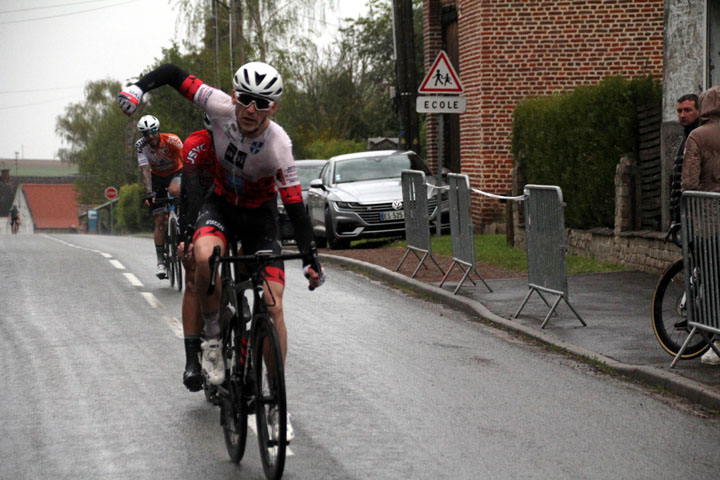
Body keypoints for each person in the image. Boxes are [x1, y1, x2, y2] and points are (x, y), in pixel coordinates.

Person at [118, 62, 325, 439]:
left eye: (261, 104)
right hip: (222, 206)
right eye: (245, 99)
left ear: (273, 108)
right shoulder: (216, 106)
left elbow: (295, 205)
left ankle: (276, 400)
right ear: (233, 96)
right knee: (203, 257)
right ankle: (212, 338)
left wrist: (311, 259)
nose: (250, 109)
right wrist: (138, 88)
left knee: (274, 302)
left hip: (261, 218)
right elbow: (170, 73)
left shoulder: (279, 144)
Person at [178, 114, 218, 392]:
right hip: (202, 206)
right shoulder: (196, 146)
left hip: (234, 209)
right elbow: (189, 197)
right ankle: (192, 358)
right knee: (193, 275)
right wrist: (186, 237)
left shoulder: (249, 141)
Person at [681, 85, 720, 365]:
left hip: (709, 219)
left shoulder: (697, 136)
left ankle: (716, 341)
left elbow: (689, 183)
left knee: (712, 279)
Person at [135, 115, 184, 279]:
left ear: (158, 130)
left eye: (153, 132)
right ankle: (161, 261)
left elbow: (187, 161)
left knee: (175, 190)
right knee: (160, 221)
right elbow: (144, 170)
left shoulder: (172, 140)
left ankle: (179, 217)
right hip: (156, 177)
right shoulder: (141, 146)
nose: (150, 137)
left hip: (176, 172)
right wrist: (148, 193)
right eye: (146, 133)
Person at [669, 94, 700, 227]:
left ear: (699, 111)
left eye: (688, 110)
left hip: (695, 212)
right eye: (679, 111)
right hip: (684, 211)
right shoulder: (685, 136)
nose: (682, 115)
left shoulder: (699, 136)